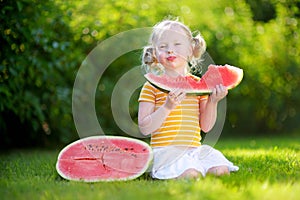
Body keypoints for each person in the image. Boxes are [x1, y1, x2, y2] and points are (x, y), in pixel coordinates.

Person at [138, 18, 239, 179]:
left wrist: (213, 101)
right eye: (163, 47)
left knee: (221, 171)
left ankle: (196, 168)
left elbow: (205, 127)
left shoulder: (199, 85)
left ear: (191, 50)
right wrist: (167, 107)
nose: (170, 50)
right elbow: (144, 128)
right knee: (191, 175)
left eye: (177, 44)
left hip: (194, 151)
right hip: (167, 153)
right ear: (155, 54)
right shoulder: (151, 87)